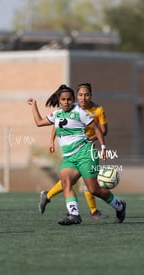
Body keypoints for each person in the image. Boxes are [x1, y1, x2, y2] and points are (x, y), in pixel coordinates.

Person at [27, 84, 126, 225]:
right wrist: (33, 105)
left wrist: (103, 148)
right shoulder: (57, 114)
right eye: (63, 99)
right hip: (69, 158)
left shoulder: (79, 112)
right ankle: (74, 215)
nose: (66, 102)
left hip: (86, 153)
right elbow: (39, 122)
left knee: (94, 189)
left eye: (69, 99)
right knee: (66, 182)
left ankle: (120, 206)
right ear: (59, 100)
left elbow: (97, 129)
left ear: (73, 100)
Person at [39, 82, 109, 220]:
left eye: (86, 95)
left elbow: (103, 131)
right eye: (81, 95)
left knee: (87, 184)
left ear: (91, 96)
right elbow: (58, 124)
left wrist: (91, 140)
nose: (83, 98)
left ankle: (90, 210)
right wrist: (51, 141)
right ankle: (83, 211)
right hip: (72, 149)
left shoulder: (98, 110)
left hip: (87, 148)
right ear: (77, 96)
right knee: (70, 180)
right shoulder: (71, 108)